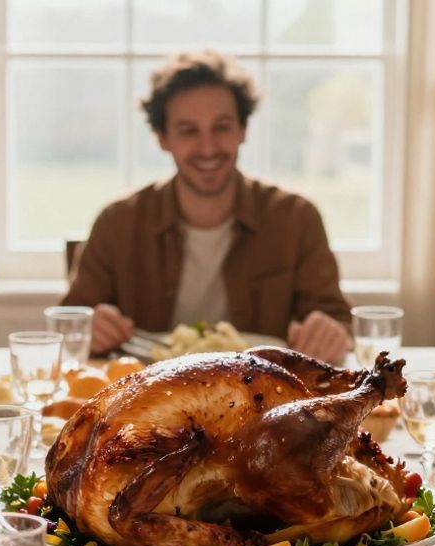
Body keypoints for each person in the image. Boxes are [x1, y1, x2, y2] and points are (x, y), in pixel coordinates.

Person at [62, 50, 352, 364]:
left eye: (222, 127)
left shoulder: (296, 218)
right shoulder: (118, 222)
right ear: (162, 137)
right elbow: (69, 323)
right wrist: (87, 327)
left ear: (243, 130)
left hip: (263, 399)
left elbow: (338, 322)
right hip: (149, 399)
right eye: (188, 131)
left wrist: (331, 333)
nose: (208, 147)